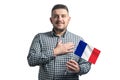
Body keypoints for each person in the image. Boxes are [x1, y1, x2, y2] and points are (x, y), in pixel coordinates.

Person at [27, 4, 91, 80]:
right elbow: (31, 60)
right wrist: (55, 51)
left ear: (69, 19)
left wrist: (79, 69)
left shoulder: (80, 40)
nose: (60, 19)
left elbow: (87, 64)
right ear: (51, 20)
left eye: (63, 16)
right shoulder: (40, 37)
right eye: (56, 16)